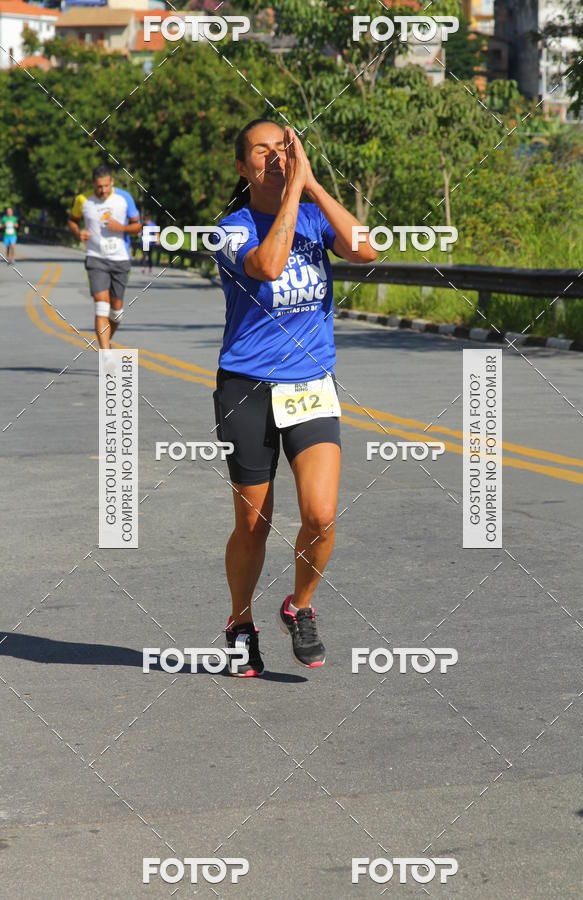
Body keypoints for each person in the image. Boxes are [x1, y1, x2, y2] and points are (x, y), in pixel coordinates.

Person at [213, 118, 377, 676]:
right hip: (247, 387)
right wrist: (290, 197)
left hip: (311, 383)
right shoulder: (230, 227)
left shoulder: (311, 213)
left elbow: (366, 249)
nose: (277, 157)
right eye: (263, 151)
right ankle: (239, 624)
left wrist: (312, 186)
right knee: (254, 525)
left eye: (285, 149)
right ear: (242, 167)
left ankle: (300, 606)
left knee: (322, 515)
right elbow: (269, 264)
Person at [68, 165, 141, 349]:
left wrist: (122, 228)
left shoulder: (124, 198)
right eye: (99, 186)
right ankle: (106, 355)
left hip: (120, 258)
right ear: (93, 184)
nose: (103, 190)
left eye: (107, 186)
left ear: (112, 183)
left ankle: (105, 342)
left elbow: (137, 226)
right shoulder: (83, 200)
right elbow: (72, 220)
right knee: (101, 306)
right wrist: (78, 233)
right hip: (95, 258)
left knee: (116, 312)